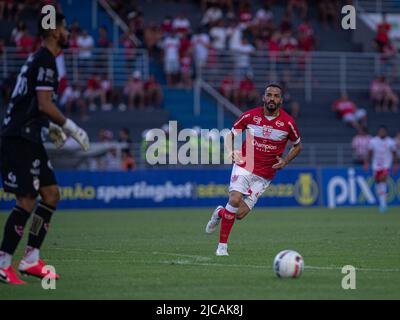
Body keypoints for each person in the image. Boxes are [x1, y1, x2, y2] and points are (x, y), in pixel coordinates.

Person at [0, 12, 90, 285]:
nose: (67, 33)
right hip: (19, 138)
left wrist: (48, 126)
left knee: (50, 194)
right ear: (53, 32)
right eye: (64, 28)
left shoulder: (39, 59)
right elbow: (43, 103)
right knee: (27, 200)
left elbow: (27, 101)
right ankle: (3, 262)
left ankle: (30, 259)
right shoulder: (46, 60)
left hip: (29, 134)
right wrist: (69, 126)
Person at [205, 84, 302, 256]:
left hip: (264, 176)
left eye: (276, 96)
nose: (272, 98)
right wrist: (230, 151)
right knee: (234, 200)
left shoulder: (288, 123)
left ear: (281, 100)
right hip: (244, 164)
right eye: (269, 95)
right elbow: (231, 135)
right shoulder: (250, 116)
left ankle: (220, 212)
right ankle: (222, 247)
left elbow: (297, 146)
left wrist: (285, 161)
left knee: (239, 214)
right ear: (264, 97)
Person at [364, 126, 398, 213]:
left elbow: (394, 154)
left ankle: (383, 205)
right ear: (378, 132)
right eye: (381, 131)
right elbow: (369, 153)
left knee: (383, 179)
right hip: (376, 166)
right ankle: (382, 202)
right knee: (379, 183)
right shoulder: (373, 141)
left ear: (386, 132)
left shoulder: (391, 142)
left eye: (383, 131)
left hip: (386, 165)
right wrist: (366, 163)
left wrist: (395, 165)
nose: (382, 133)